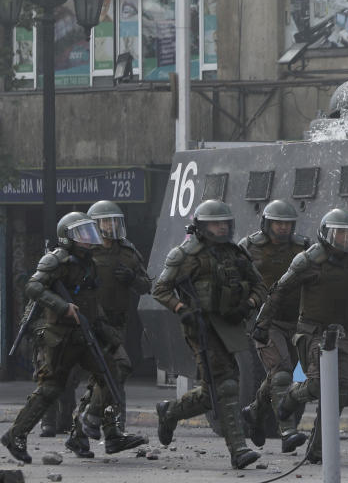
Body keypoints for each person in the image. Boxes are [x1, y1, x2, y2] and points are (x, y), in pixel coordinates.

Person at [1, 213, 147, 464]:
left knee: (112, 372)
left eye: (89, 233)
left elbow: (90, 300)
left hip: (85, 332)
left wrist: (105, 332)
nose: (89, 239)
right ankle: (15, 434)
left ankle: (103, 431)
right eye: (82, 234)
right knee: (51, 388)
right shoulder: (57, 260)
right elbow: (34, 287)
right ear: (67, 237)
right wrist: (62, 306)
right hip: (60, 336)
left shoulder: (87, 261)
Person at [254, 207, 348, 464]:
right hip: (311, 332)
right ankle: (291, 397)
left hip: (343, 332)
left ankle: (319, 447)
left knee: (341, 391)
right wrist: (262, 323)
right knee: (317, 384)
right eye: (339, 233)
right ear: (326, 234)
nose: (344, 239)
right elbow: (278, 291)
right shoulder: (309, 260)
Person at [152, 200, 266, 470]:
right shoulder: (185, 255)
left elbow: (260, 285)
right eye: (216, 224)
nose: (222, 228)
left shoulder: (235, 254)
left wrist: (248, 304)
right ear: (202, 227)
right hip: (201, 326)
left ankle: (169, 412)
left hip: (231, 325)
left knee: (214, 390)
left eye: (225, 223)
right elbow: (161, 289)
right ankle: (238, 450)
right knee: (224, 386)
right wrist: (182, 309)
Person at [75, 201, 151, 445]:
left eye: (113, 221)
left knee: (108, 377)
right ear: (94, 225)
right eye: (105, 221)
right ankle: (107, 429)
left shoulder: (127, 252)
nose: (110, 226)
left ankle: (89, 430)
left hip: (118, 323)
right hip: (93, 323)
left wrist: (132, 279)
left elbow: (146, 284)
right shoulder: (87, 252)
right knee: (116, 370)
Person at [238, 200, 310, 453]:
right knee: (281, 373)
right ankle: (287, 431)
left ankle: (255, 411)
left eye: (287, 224)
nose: (282, 228)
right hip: (265, 321)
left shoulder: (304, 247)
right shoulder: (248, 248)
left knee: (281, 376)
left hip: (297, 322)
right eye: (278, 223)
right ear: (267, 223)